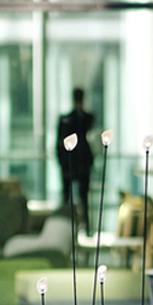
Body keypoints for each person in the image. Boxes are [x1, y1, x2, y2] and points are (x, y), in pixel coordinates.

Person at [57, 87, 94, 232]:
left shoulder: (83, 118)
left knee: (83, 197)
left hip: (82, 162)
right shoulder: (67, 119)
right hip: (70, 162)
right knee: (67, 197)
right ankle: (66, 227)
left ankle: (87, 227)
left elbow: (86, 123)